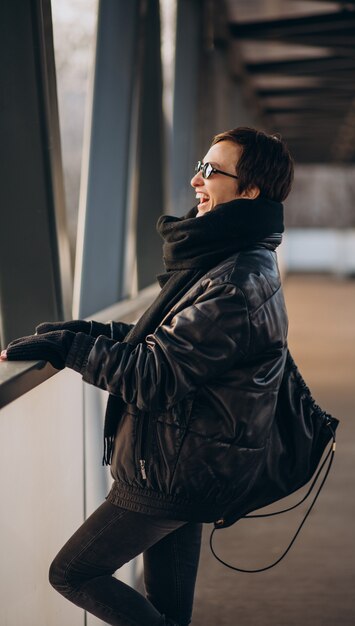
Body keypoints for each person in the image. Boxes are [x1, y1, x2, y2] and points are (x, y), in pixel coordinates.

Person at [0, 127, 294, 626]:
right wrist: (79, 330)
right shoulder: (234, 258)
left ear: (250, 191)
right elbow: (164, 337)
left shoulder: (236, 278)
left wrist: (70, 347)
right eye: (200, 166)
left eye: (212, 171)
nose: (196, 180)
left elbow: (154, 373)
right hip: (193, 459)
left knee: (73, 572)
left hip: (176, 467)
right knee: (168, 608)